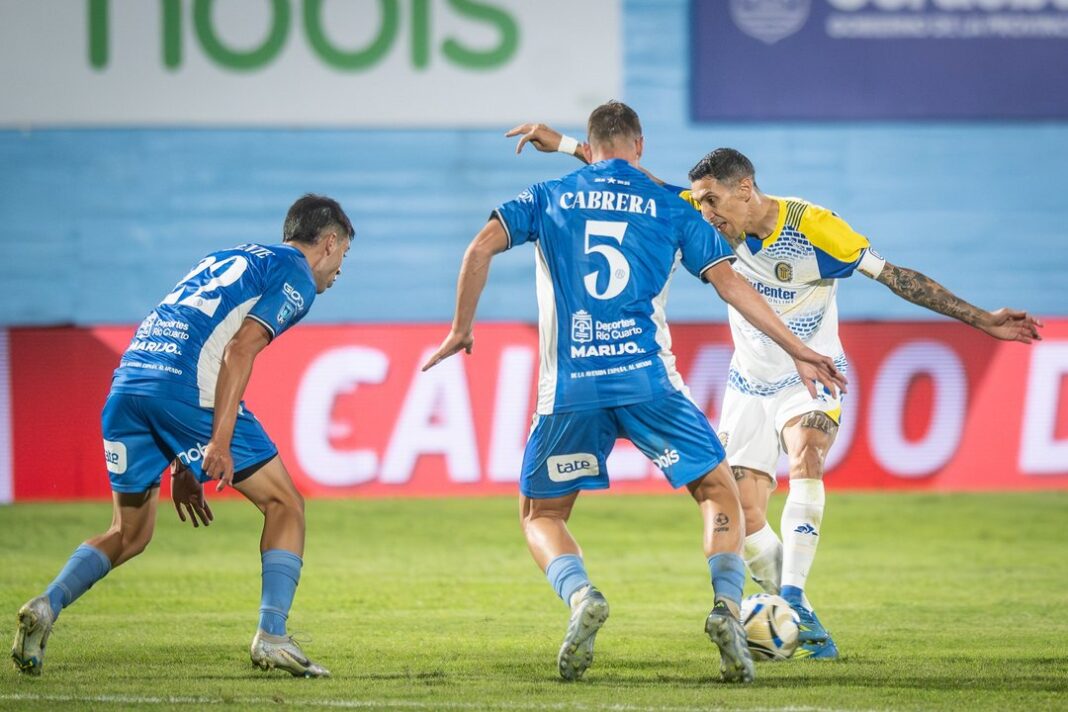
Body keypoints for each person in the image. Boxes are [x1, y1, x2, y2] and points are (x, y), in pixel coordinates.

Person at [505, 124, 1044, 659]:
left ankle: (792, 597)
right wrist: (572, 148)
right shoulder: (705, 216)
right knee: (745, 513)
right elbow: (636, 185)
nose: (707, 214)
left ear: (745, 189)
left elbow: (898, 277)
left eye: (714, 201)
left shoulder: (814, 228)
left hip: (809, 375)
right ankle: (801, 623)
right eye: (701, 203)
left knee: (806, 453)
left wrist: (982, 319)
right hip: (747, 382)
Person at [423, 101, 847, 683]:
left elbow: (478, 249)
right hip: (649, 384)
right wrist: (798, 348)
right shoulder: (674, 205)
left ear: (593, 145)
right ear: (640, 145)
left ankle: (580, 598)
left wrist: (460, 329)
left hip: (570, 388)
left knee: (540, 514)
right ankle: (725, 608)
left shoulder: (548, 197)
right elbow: (731, 286)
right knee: (719, 493)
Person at [11, 194, 354, 678]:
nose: (340, 270)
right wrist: (217, 441)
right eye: (343, 256)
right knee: (286, 504)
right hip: (185, 389)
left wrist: (181, 460)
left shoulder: (228, 256)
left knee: (129, 533)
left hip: (128, 385)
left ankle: (47, 605)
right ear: (329, 242)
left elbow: (192, 328)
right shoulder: (296, 274)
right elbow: (239, 350)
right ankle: (272, 635)